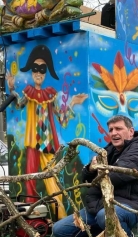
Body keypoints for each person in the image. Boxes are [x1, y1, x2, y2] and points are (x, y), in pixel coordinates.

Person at [6, 44, 88, 219]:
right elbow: (18, 103)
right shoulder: (27, 93)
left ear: (46, 72)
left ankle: (62, 218)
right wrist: (11, 88)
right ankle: (30, 218)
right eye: (35, 68)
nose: (38, 73)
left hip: (47, 144)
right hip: (31, 144)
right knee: (29, 182)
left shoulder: (51, 95)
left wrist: (73, 103)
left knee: (52, 181)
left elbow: (62, 119)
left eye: (42, 69)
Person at [52, 115, 138, 237]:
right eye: (111, 130)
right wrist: (91, 169)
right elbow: (86, 176)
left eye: (118, 128)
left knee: (105, 216)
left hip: (132, 205)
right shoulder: (110, 149)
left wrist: (95, 171)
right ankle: (106, 232)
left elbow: (115, 176)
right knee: (59, 230)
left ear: (131, 131)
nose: (114, 133)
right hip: (102, 204)